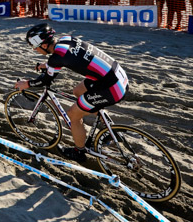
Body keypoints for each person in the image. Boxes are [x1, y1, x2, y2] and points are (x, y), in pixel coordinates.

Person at [16, 24, 129, 162]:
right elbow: (69, 57)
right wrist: (48, 65)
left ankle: (79, 152)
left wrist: (26, 84)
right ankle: (110, 130)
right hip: (117, 76)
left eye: (35, 47)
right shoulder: (66, 39)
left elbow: (44, 81)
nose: (35, 50)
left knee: (72, 115)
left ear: (44, 46)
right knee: (78, 91)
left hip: (112, 87)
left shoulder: (56, 58)